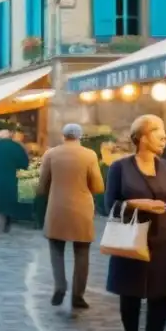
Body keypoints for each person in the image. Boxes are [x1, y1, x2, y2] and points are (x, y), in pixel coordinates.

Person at [104, 115, 166, 331]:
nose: (164, 136)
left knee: (159, 303)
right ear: (142, 136)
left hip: (161, 244)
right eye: (158, 131)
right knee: (131, 300)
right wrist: (136, 204)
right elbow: (108, 206)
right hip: (130, 240)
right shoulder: (119, 168)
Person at [38, 123, 104, 309]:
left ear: (63, 135)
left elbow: (42, 186)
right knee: (82, 253)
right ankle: (78, 295)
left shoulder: (50, 154)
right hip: (81, 209)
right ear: (80, 136)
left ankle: (60, 285)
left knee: (56, 250)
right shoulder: (89, 155)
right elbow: (98, 187)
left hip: (57, 208)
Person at [0, 129, 29, 233]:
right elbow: (24, 163)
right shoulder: (16, 146)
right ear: (10, 136)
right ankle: (7, 223)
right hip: (10, 177)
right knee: (9, 199)